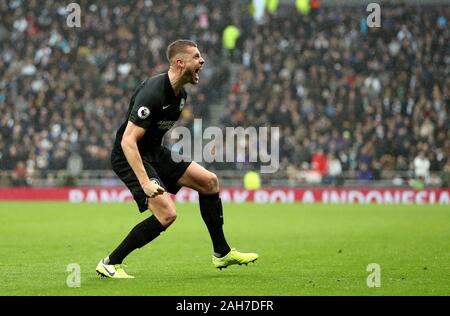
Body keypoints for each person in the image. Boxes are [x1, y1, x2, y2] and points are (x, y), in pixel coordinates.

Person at [96, 40, 258, 278]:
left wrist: (164, 168)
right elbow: (127, 141)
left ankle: (222, 253)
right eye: (196, 57)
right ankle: (110, 263)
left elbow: (155, 135)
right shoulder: (153, 91)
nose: (202, 61)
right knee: (167, 215)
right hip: (129, 155)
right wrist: (146, 182)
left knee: (209, 181)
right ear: (180, 63)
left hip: (152, 151)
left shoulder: (180, 96)